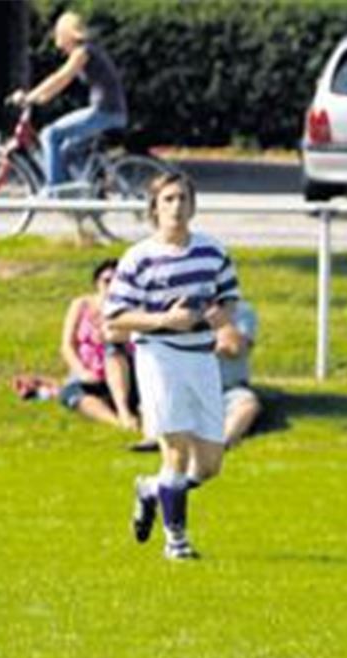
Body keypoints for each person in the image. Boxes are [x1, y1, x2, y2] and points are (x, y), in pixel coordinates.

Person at [104, 172, 240, 560]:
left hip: (202, 358)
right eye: (168, 199)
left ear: (193, 205)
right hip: (159, 356)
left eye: (182, 198)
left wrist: (219, 316)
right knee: (176, 451)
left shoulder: (213, 251)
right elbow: (114, 319)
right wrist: (164, 321)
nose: (176, 207)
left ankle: (151, 490)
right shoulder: (139, 258)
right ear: (154, 208)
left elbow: (229, 298)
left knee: (210, 464)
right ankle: (176, 542)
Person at [10, 11, 127, 193]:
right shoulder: (88, 50)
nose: (59, 45)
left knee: (49, 134)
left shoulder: (83, 52)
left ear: (67, 35)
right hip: (111, 112)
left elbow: (61, 77)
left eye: (60, 37)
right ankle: (80, 195)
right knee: (66, 150)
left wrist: (29, 96)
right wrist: (40, 97)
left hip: (105, 112)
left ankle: (55, 190)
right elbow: (60, 83)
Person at [59, 258, 140, 430]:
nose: (112, 285)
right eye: (107, 281)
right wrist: (82, 372)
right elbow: (67, 345)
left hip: (124, 370)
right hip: (91, 372)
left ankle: (124, 410)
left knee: (112, 346)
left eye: (117, 281)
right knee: (71, 394)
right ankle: (116, 422)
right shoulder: (81, 304)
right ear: (97, 283)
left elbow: (134, 336)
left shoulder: (130, 308)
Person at [215, 300, 263, 448]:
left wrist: (223, 321)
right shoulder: (179, 309)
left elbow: (236, 348)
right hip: (187, 387)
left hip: (228, 388)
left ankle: (223, 441)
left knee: (247, 404)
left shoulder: (242, 311)